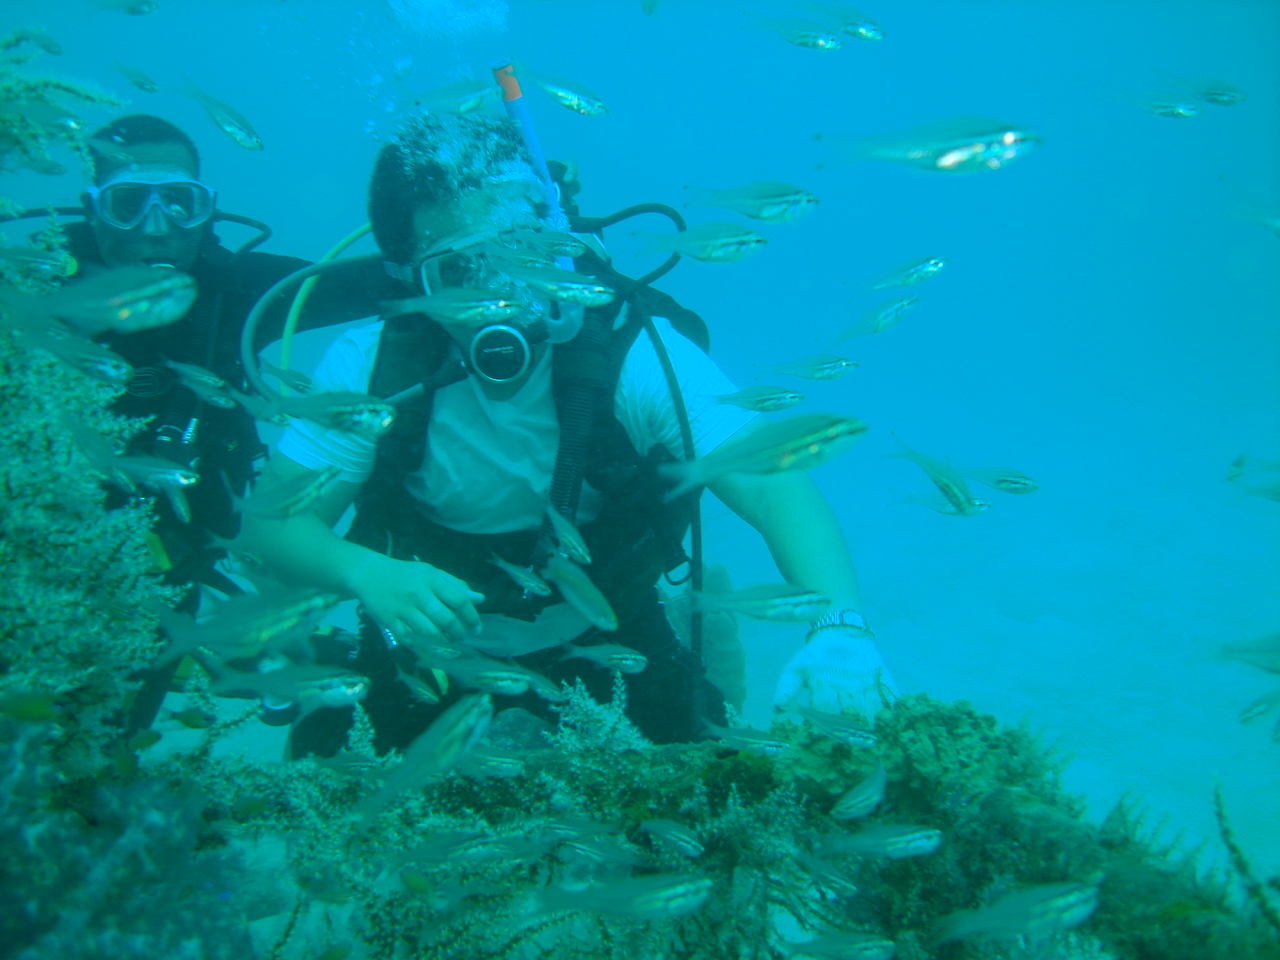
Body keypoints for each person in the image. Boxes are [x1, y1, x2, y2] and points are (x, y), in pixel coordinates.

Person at [241, 112, 897, 756]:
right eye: (459, 273)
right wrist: (365, 573)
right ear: (409, 280)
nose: (502, 294)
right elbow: (270, 524)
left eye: (518, 250)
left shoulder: (632, 353)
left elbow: (772, 487)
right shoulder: (370, 369)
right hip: (428, 648)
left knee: (697, 792)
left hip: (605, 625)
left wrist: (839, 624)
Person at [69, 114, 396, 731]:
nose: (157, 225)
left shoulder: (240, 291)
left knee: (112, 731)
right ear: (93, 211)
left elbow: (390, 281)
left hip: (187, 549)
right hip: (48, 541)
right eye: (128, 203)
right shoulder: (34, 289)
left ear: (207, 210)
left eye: (181, 203)